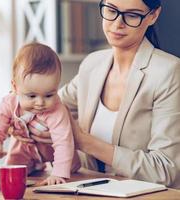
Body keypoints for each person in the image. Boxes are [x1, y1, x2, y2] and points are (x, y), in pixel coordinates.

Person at [12, 0, 180, 188]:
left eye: (132, 15)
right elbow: (47, 105)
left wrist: (84, 141)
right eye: (111, 10)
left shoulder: (168, 72)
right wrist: (19, 119)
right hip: (87, 189)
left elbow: (166, 171)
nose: (117, 24)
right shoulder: (92, 65)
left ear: (153, 16)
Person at [0, 43, 80, 185]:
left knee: (70, 167)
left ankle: (65, 167)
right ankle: (32, 168)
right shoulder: (9, 102)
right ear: (15, 87)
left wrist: (59, 174)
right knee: (13, 173)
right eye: (31, 96)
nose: (40, 103)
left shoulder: (57, 110)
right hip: (22, 148)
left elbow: (63, 142)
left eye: (49, 95)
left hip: (52, 150)